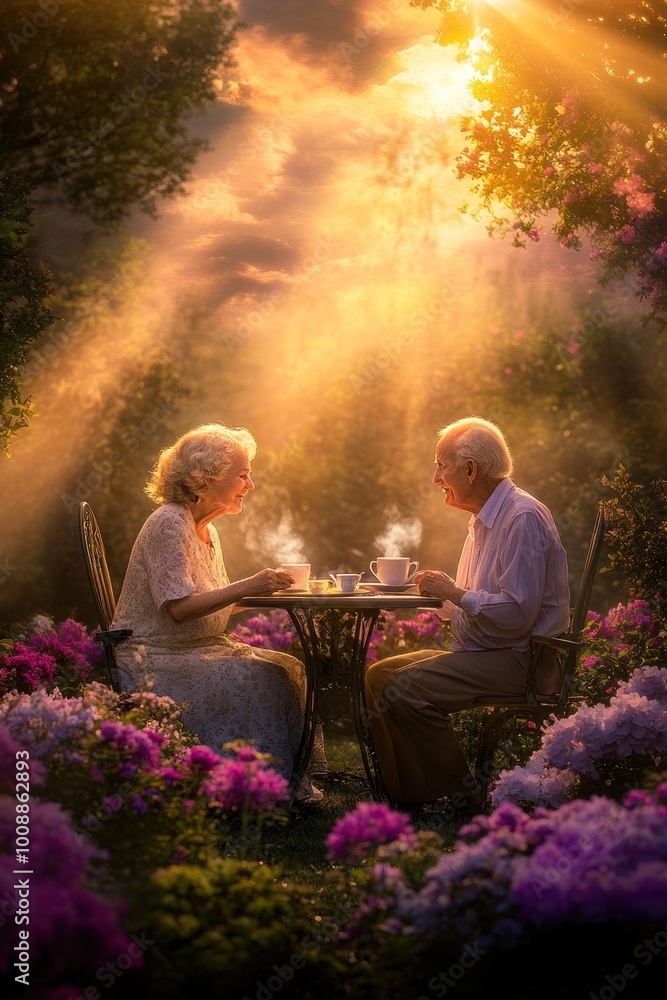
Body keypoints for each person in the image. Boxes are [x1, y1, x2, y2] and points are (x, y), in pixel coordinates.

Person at [365, 416, 570, 818]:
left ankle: (464, 801)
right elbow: (474, 601)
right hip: (493, 651)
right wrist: (424, 594)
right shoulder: (483, 521)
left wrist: (452, 592)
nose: (435, 477)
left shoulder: (521, 517)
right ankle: (411, 796)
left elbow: (515, 614)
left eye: (442, 465)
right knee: (379, 676)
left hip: (526, 660)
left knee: (405, 687)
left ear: (471, 469)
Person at [111, 422, 325, 802]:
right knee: (265, 675)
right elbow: (179, 609)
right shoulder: (168, 523)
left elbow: (213, 601)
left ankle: (282, 782)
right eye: (242, 475)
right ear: (206, 477)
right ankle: (251, 792)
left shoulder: (206, 528)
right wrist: (248, 586)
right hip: (152, 658)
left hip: (196, 649)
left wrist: (266, 589)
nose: (250, 485)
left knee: (288, 666)